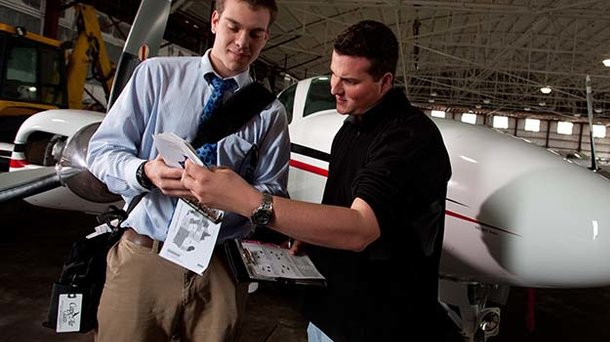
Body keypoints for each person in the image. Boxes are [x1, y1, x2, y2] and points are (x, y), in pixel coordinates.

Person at [182, 20, 452, 341]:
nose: (335, 88)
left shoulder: (408, 137)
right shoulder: (351, 126)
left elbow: (360, 229)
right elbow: (340, 207)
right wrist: (309, 234)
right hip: (332, 314)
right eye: (334, 74)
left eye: (349, 81)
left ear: (385, 82)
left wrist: (247, 200)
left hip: (379, 324)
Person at [86, 0, 289, 340]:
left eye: (255, 33)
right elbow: (102, 151)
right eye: (233, 27)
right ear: (214, 21)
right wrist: (144, 171)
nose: (242, 42)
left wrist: (237, 198)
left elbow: (274, 192)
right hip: (145, 256)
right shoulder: (155, 76)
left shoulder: (270, 113)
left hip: (219, 267)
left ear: (266, 37)